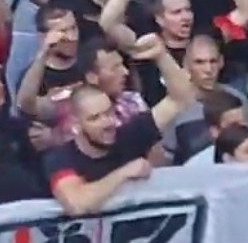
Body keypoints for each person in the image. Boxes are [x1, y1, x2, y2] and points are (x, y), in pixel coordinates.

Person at [44, 33, 196, 215]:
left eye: (108, 113)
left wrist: (162, 55)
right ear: (76, 124)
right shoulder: (61, 158)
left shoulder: (129, 135)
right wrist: (124, 173)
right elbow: (77, 204)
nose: (107, 123)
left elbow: (181, 99)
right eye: (95, 118)